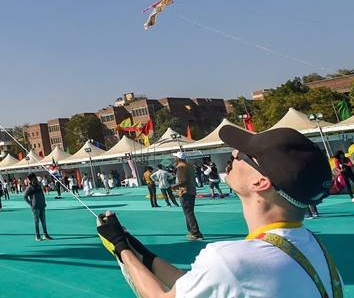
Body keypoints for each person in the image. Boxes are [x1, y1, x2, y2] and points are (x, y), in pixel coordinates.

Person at [96, 125, 340, 298]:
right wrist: (139, 250)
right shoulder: (314, 248)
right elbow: (196, 284)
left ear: (260, 182)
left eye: (243, 153)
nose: (233, 153)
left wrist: (122, 249)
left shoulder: (230, 260)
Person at [173, 152, 203, 240]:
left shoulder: (181, 167)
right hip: (192, 190)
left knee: (188, 213)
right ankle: (191, 230)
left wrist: (173, 186)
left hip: (185, 192)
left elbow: (183, 181)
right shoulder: (189, 166)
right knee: (189, 212)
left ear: (178, 159)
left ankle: (196, 233)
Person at [24, 173, 52, 241]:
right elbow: (25, 196)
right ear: (31, 180)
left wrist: (44, 202)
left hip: (42, 205)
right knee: (36, 222)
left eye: (35, 178)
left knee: (44, 221)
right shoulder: (29, 188)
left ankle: (45, 234)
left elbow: (42, 194)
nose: (35, 180)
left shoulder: (39, 186)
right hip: (35, 207)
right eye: (33, 179)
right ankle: (38, 236)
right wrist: (30, 203)